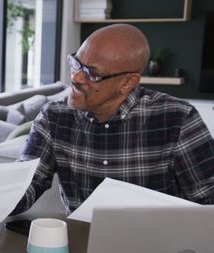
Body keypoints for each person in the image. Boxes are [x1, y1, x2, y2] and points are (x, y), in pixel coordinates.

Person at [13, 23, 214, 215]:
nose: (76, 78)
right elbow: (28, 182)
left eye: (91, 74)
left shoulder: (178, 118)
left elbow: (207, 201)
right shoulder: (54, 117)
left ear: (128, 82)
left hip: (157, 245)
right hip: (80, 243)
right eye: (76, 63)